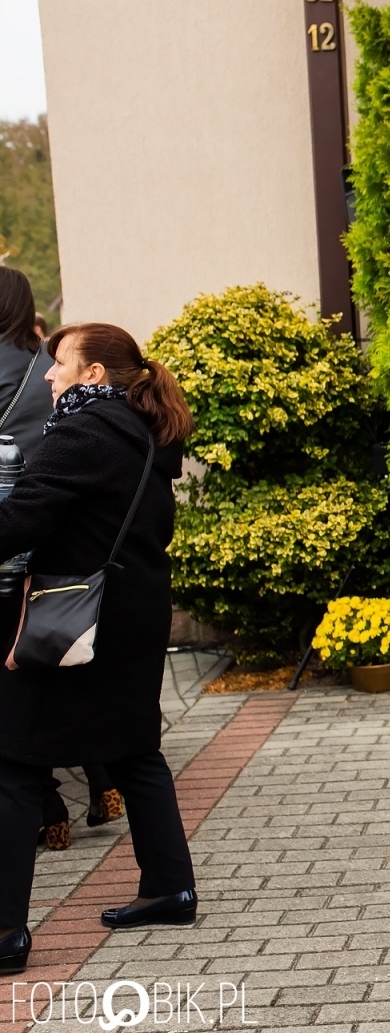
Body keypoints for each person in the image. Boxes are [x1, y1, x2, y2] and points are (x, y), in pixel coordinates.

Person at [0, 322, 198, 975]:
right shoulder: (141, 433)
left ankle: (5, 933)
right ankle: (170, 888)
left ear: (92, 375)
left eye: (59, 364)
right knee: (136, 750)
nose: (48, 375)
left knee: (17, 763)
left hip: (77, 617)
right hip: (136, 612)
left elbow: (21, 518)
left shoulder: (81, 433)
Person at [0, 273, 126, 850]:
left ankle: (48, 808)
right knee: (63, 665)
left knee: (20, 682)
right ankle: (103, 785)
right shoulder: (39, 363)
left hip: (15, 530)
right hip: (61, 538)